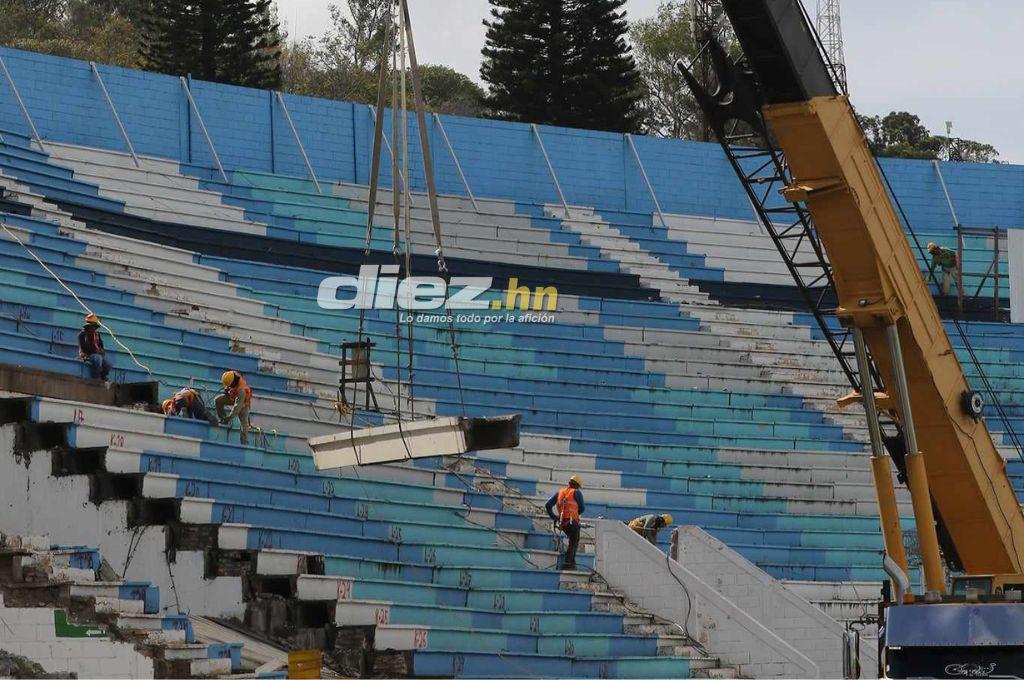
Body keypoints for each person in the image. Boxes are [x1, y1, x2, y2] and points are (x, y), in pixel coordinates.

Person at [545, 475, 584, 570]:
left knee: (572, 542)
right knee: (574, 543)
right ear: (577, 485)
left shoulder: (560, 492)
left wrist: (554, 517)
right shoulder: (577, 492)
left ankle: (572, 563)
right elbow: (582, 509)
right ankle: (568, 565)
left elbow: (548, 505)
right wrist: (575, 513)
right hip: (572, 523)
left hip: (563, 523)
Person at [216, 370, 253, 445]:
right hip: (233, 396)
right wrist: (227, 389)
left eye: (230, 385)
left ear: (233, 382)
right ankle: (223, 418)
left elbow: (237, 408)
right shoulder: (231, 375)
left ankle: (244, 443)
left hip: (243, 402)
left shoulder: (242, 390)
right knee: (218, 400)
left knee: (244, 423)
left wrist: (229, 417)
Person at [78, 313, 112, 382]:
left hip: (97, 353)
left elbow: (101, 345)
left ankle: (103, 376)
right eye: (92, 327)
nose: (93, 328)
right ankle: (95, 378)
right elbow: (84, 348)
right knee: (98, 358)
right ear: (88, 326)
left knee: (108, 364)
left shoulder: (97, 334)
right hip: (87, 354)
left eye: (94, 327)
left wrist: (101, 351)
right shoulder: (82, 335)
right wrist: (95, 351)